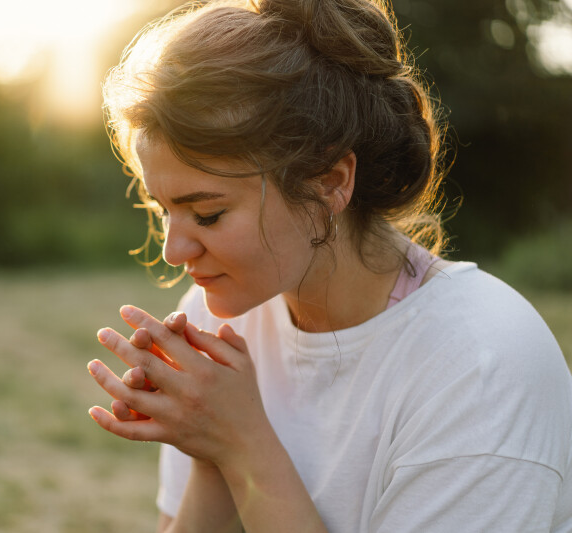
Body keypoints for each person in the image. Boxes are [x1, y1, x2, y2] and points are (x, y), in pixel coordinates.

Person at [86, 0, 572, 531]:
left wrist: (243, 444)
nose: (173, 252)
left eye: (208, 213)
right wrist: (210, 448)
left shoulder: (481, 368)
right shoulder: (216, 324)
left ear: (331, 183)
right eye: (163, 209)